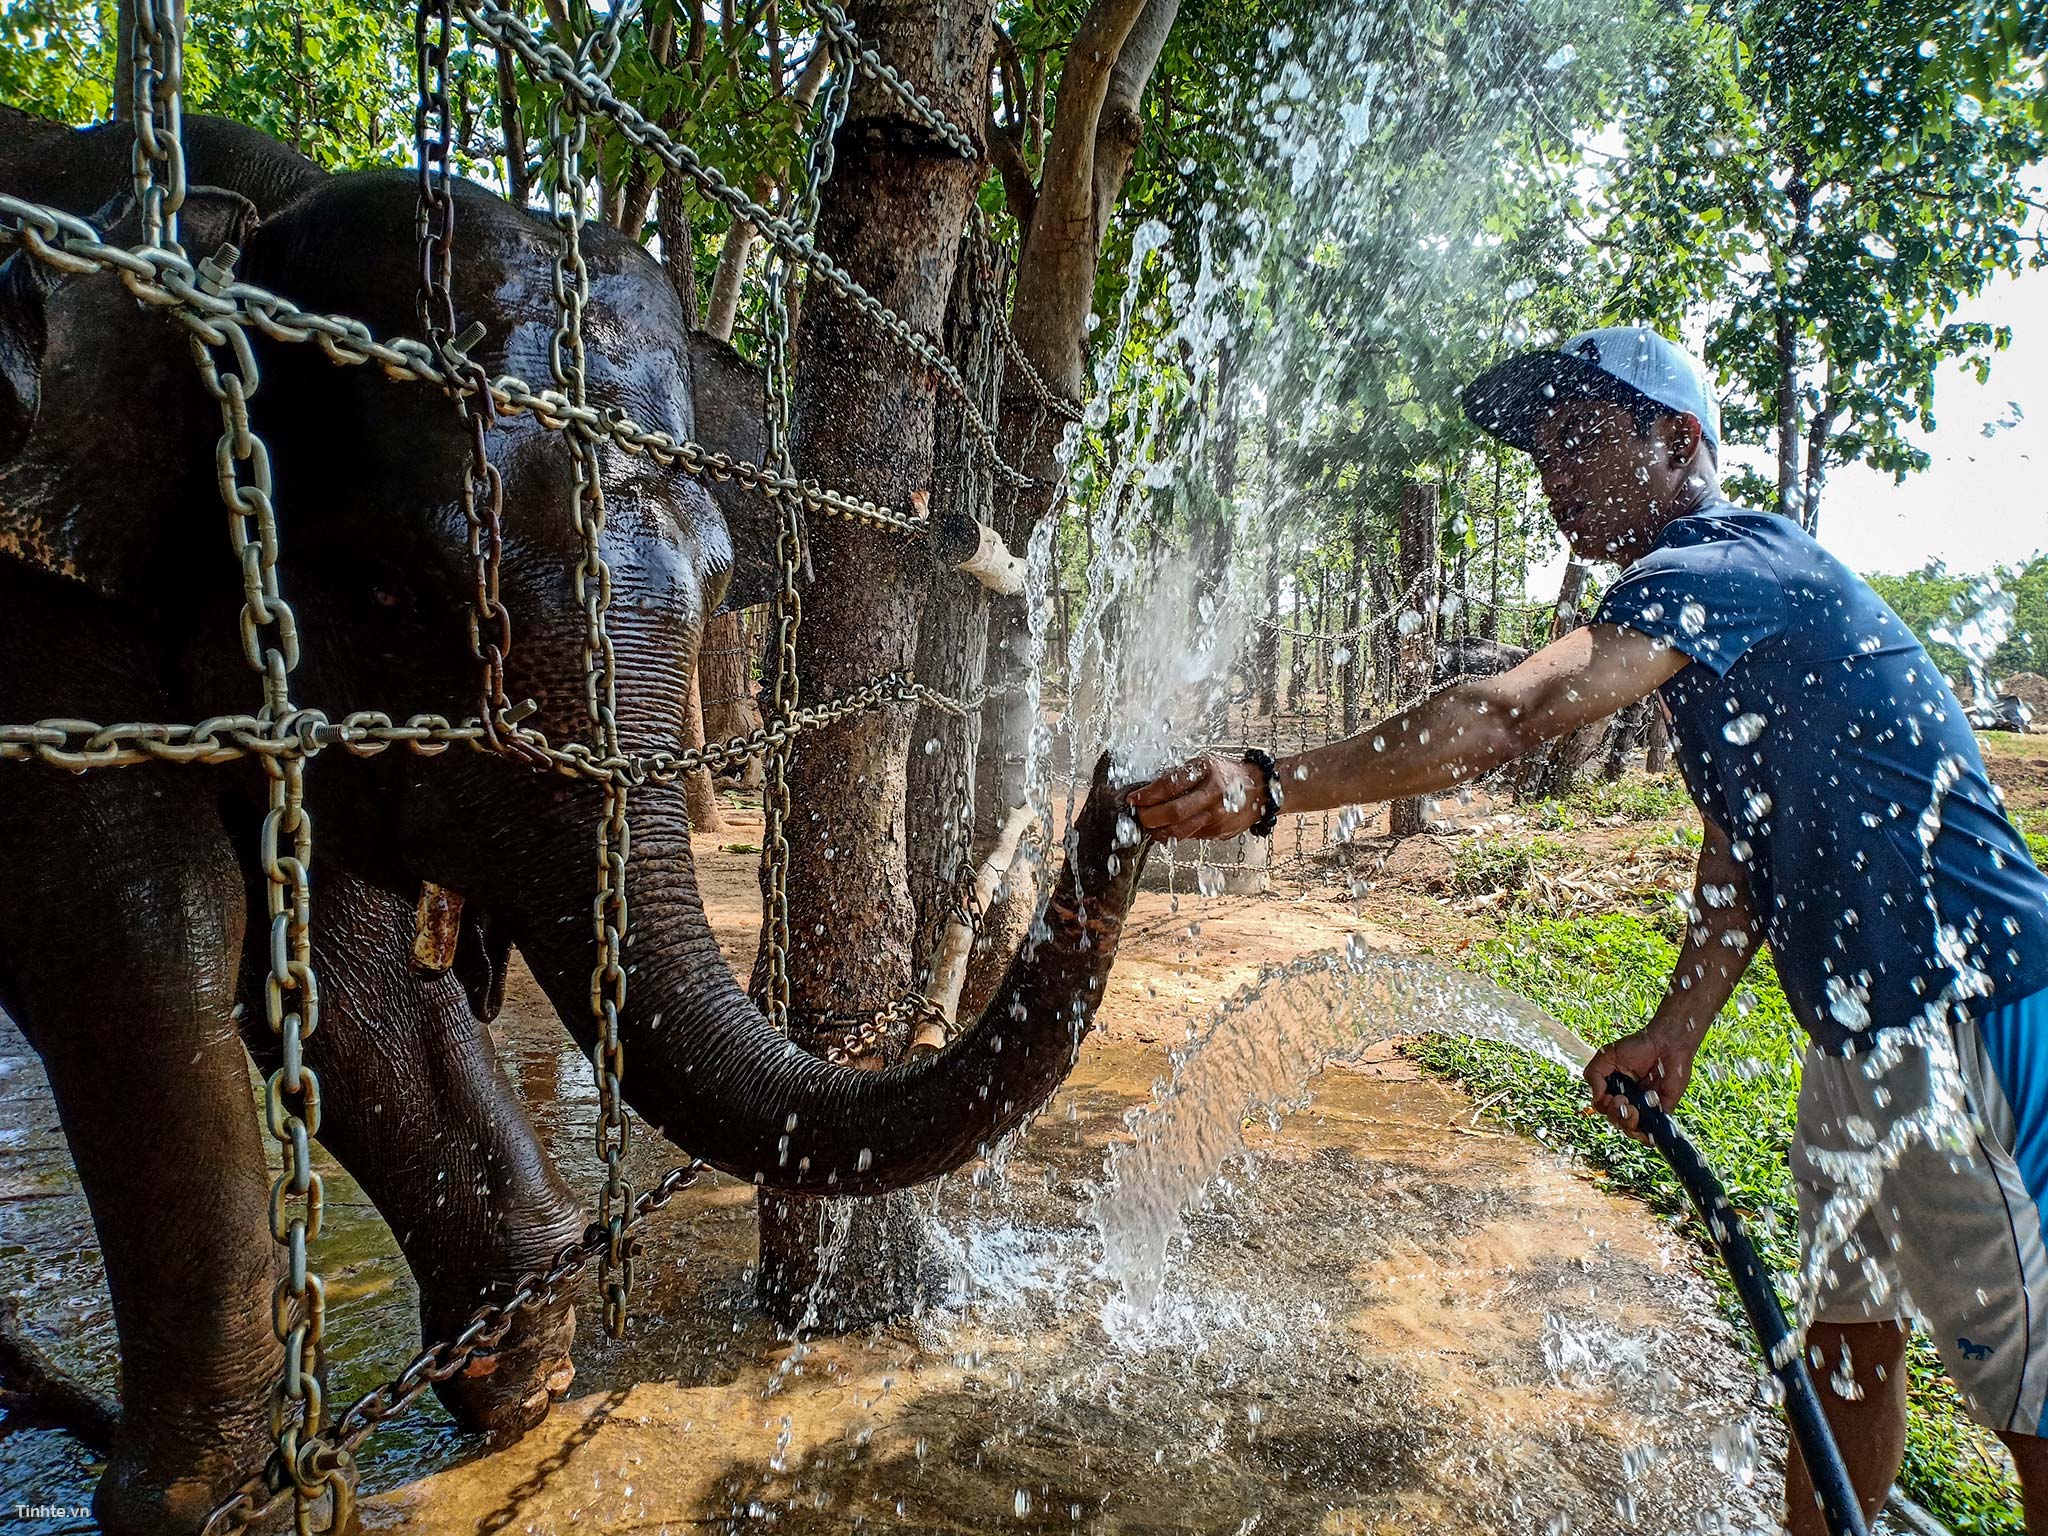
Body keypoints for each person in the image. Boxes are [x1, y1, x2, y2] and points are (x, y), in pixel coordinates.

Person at [1128, 325, 2048, 1532]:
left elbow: (1508, 716)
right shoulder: (1710, 623)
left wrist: (1269, 783)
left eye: (1575, 437)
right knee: (1838, 1352)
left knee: (2033, 1408)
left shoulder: (1729, 558)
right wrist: (1678, 1029)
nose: (1550, 473)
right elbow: (1741, 849)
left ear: (1677, 443)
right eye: (1538, 450)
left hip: (1967, 1019)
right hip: (1854, 1042)